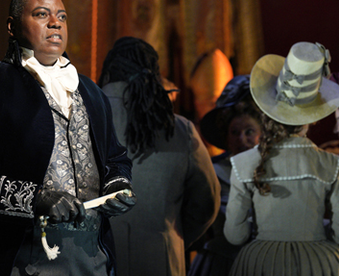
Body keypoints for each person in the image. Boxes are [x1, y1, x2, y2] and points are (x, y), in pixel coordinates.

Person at [0, 0, 136, 276]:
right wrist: (34, 197)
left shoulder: (91, 93)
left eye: (62, 17)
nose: (55, 23)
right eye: (42, 14)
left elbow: (115, 158)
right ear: (11, 26)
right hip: (17, 259)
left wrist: (117, 186)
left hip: (93, 260)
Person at [97, 36, 221, 276]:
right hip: (161, 259)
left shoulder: (79, 119)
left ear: (109, 72)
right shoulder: (180, 130)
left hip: (95, 259)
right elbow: (206, 202)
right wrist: (174, 234)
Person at [224, 42, 339, 275]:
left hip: (260, 264)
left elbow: (234, 236)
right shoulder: (331, 164)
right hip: (318, 265)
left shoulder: (244, 163)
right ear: (313, 117)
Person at [188, 75, 262, 276]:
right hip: (221, 263)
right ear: (226, 137)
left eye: (249, 131)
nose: (242, 139)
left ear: (261, 134)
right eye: (235, 132)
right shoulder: (214, 170)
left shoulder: (276, 170)